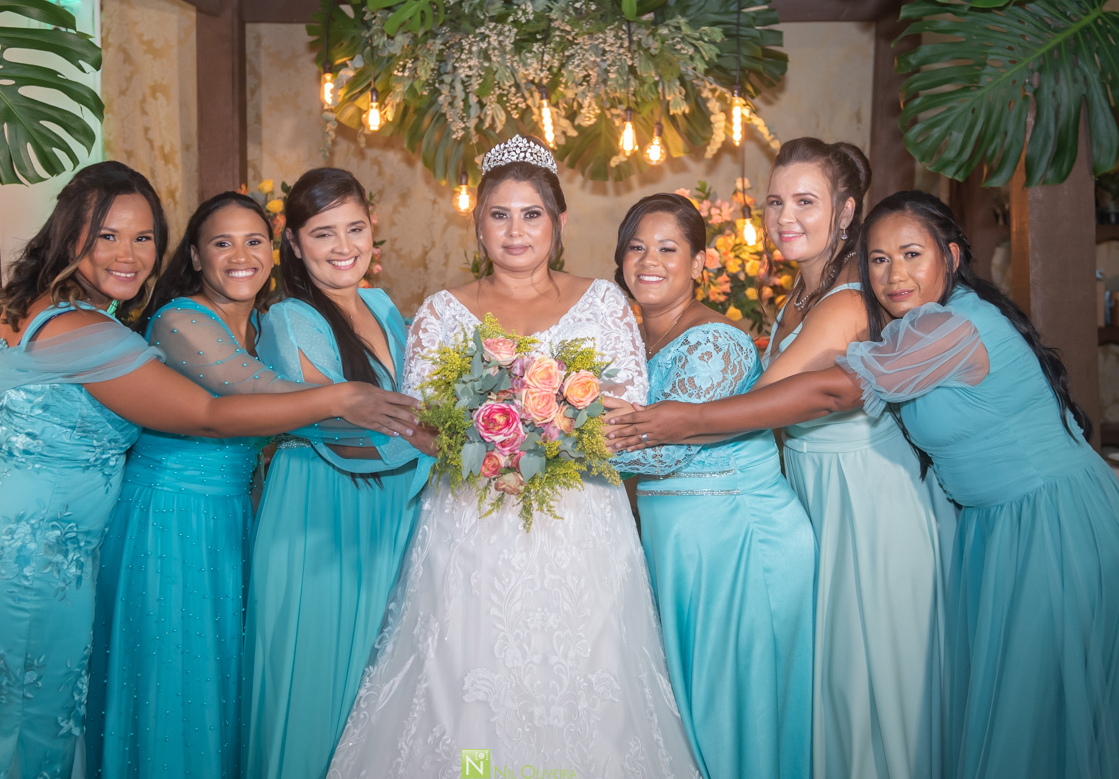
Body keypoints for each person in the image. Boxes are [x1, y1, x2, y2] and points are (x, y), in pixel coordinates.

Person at [0, 162, 419, 779]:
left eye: (143, 237)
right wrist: (343, 398)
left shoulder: (56, 311)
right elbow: (211, 414)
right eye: (107, 236)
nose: (128, 254)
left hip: (1, 537)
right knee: (19, 731)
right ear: (70, 236)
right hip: (27, 557)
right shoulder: (93, 331)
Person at [610, 190, 1119, 779]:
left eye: (911, 255)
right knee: (1008, 708)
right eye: (878, 260)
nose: (894, 275)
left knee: (1039, 715)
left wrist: (689, 418)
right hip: (991, 523)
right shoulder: (914, 325)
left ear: (951, 256)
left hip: (1048, 518)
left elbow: (835, 391)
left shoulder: (950, 327)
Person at [325, 136, 698, 777]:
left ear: (558, 222)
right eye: (499, 215)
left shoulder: (604, 303)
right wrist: (487, 445)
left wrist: (549, 429)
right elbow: (420, 423)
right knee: (469, 681)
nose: (516, 231)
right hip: (472, 525)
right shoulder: (442, 312)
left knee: (587, 677)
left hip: (580, 523)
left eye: (531, 214)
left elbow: (627, 410)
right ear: (478, 224)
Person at [617, 138, 954, 779]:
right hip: (811, 486)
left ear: (845, 211)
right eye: (775, 202)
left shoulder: (848, 298)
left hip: (864, 495)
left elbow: (761, 401)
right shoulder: (798, 294)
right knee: (827, 683)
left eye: (805, 202)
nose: (784, 218)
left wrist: (681, 407)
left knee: (872, 676)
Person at [87, 192, 316, 778]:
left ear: (274, 251)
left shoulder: (266, 325)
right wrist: (365, 402)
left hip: (233, 518)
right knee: (175, 680)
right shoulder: (180, 320)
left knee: (219, 678)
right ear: (195, 256)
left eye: (254, 241)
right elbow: (255, 390)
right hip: (168, 517)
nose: (241, 256)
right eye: (222, 243)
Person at [603, 193, 815, 778]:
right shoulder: (632, 340)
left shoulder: (714, 342)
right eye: (636, 247)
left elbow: (663, 452)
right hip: (681, 542)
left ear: (699, 263)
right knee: (689, 712)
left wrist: (547, 432)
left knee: (732, 716)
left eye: (668, 249)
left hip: (736, 539)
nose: (649, 260)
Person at [242, 168, 432, 779]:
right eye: (323, 233)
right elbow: (339, 433)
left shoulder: (381, 304)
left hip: (393, 504)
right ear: (294, 244)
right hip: (322, 506)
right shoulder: (290, 318)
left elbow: (412, 402)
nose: (343, 247)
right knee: (319, 679)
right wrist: (441, 447)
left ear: (373, 231)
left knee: (380, 687)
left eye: (355, 229)